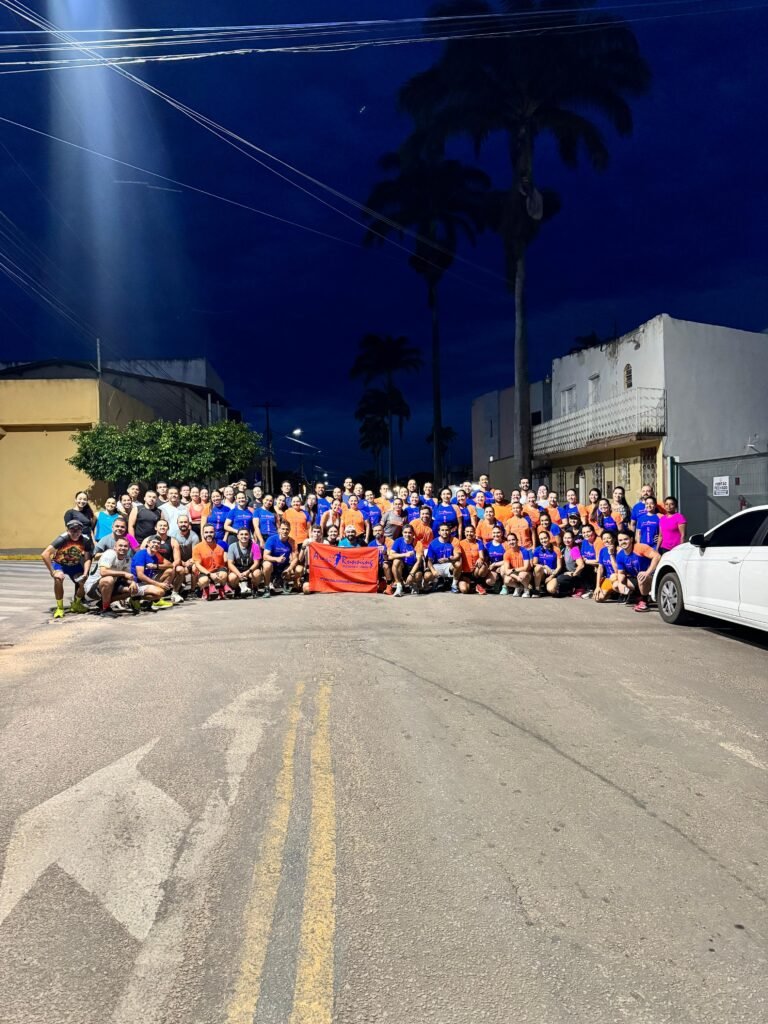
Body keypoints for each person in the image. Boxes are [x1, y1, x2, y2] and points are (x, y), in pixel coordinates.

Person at [41, 519, 93, 618]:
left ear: (81, 530)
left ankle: (76, 604)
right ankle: (60, 607)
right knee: (58, 579)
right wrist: (53, 572)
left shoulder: (85, 540)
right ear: (68, 530)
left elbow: (87, 558)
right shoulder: (62, 539)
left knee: (83, 582)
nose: (75, 532)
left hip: (75, 565)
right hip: (60, 564)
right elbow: (45, 554)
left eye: (78, 530)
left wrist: (85, 573)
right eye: (72, 530)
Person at [84, 537, 140, 616]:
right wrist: (123, 573)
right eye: (120, 545)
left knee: (133, 589)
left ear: (129, 548)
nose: (123, 548)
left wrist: (133, 582)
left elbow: (128, 576)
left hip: (111, 585)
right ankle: (105, 609)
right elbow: (103, 572)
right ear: (115, 547)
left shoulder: (127, 559)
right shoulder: (110, 553)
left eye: (125, 546)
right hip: (93, 588)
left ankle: (101, 604)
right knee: (108, 579)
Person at [615, 529, 661, 611]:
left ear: (632, 539)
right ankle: (638, 595)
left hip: (654, 577)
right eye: (620, 540)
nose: (623, 542)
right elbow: (621, 573)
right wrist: (620, 583)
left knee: (641, 576)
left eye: (626, 539)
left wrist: (647, 572)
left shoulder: (639, 547)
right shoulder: (620, 555)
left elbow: (657, 556)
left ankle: (644, 601)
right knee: (618, 583)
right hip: (638, 577)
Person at [131, 536, 175, 609]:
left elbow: (170, 565)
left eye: (158, 543)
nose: (156, 545)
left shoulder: (155, 555)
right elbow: (140, 575)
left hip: (148, 580)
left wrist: (156, 566)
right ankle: (135, 598)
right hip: (137, 583)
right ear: (148, 543)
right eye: (154, 542)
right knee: (160, 592)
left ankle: (152, 601)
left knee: (170, 571)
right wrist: (159, 584)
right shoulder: (141, 554)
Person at [192, 524, 231, 600]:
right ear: (203, 534)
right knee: (203, 581)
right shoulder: (197, 547)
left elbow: (224, 564)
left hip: (218, 571)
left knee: (223, 574)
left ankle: (221, 589)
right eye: (206, 532)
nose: (208, 534)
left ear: (215, 533)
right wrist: (209, 574)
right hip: (205, 571)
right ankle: (206, 591)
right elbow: (198, 565)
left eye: (211, 532)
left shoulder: (220, 547)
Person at [262, 521, 298, 596]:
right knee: (266, 565)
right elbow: (265, 556)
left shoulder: (292, 541)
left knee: (294, 568)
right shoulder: (271, 539)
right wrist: (277, 559)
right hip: (272, 565)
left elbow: (295, 558)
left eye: (287, 529)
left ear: (289, 530)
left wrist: (289, 568)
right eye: (283, 529)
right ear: (279, 530)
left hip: (284, 566)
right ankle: (266, 587)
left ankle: (285, 583)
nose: (285, 531)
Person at [424, 523, 461, 593]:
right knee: (427, 576)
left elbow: (457, 556)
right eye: (442, 530)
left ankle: (454, 585)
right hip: (436, 566)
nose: (445, 532)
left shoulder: (454, 540)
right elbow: (429, 560)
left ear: (450, 531)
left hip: (449, 565)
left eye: (447, 530)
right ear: (439, 532)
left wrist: (448, 559)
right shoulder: (433, 543)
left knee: (458, 564)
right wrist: (433, 571)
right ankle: (430, 584)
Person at [227, 527, 263, 596]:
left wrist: (247, 572)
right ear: (238, 536)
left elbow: (256, 563)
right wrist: (238, 574)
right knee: (231, 577)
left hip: (250, 570)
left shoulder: (255, 546)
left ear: (249, 536)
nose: (244, 536)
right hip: (238, 570)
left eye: (246, 534)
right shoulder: (232, 546)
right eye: (241, 534)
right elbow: (230, 564)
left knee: (257, 573)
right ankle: (237, 589)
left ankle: (255, 587)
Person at [389, 523, 423, 596]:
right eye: (405, 532)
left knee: (418, 575)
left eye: (410, 532)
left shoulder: (418, 543)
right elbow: (390, 556)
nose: (407, 534)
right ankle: (399, 585)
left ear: (413, 533)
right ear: (402, 533)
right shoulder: (398, 541)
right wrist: (405, 554)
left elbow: (418, 561)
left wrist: (411, 574)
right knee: (396, 561)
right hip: (403, 566)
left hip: (413, 567)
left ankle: (414, 585)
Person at [551, 529, 586, 597]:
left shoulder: (574, 549)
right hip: (567, 573)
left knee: (560, 578)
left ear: (573, 539)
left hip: (576, 576)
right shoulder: (564, 548)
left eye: (569, 538)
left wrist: (573, 574)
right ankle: (568, 590)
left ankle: (578, 587)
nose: (566, 540)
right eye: (565, 538)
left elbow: (581, 565)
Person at [457, 524, 487, 594]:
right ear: (464, 532)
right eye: (467, 532)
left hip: (475, 570)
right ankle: (472, 587)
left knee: (483, 566)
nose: (469, 534)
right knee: (464, 590)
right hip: (465, 572)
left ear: (474, 532)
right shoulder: (460, 543)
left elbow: (482, 556)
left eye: (471, 532)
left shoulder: (479, 542)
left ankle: (478, 583)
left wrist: (481, 559)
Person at [532, 530, 563, 596]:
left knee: (551, 590)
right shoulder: (537, 549)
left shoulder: (556, 549)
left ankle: (546, 587)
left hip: (552, 573)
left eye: (545, 538)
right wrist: (545, 566)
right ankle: (537, 590)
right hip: (542, 573)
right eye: (541, 539)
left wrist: (552, 576)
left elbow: (559, 567)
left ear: (549, 538)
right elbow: (534, 563)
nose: (543, 540)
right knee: (538, 568)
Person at [594, 531, 621, 603]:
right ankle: (613, 593)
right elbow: (600, 568)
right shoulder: (602, 550)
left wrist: (611, 554)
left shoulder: (619, 550)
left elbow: (617, 570)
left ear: (614, 539)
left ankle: (625, 594)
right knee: (598, 598)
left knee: (614, 578)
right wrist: (597, 586)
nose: (606, 540)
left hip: (619, 577)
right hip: (608, 578)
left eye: (608, 538)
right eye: (604, 539)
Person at [578, 523, 603, 596]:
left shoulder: (598, 541)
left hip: (600, 566)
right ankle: (587, 589)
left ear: (593, 531)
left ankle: (592, 589)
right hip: (591, 565)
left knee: (585, 567)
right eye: (584, 532)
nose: (586, 534)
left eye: (588, 532)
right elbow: (582, 556)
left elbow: (599, 560)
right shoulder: (584, 542)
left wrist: (588, 561)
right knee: (580, 566)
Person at [481, 524, 508, 591]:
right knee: (489, 581)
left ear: (502, 533)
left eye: (498, 532)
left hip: (503, 566)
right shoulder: (487, 545)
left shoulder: (506, 544)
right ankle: (498, 582)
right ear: (491, 533)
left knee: (503, 568)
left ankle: (505, 586)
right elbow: (486, 559)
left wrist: (495, 565)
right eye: (494, 533)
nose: (496, 535)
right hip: (492, 568)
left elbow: (507, 560)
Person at [368, 523, 393, 594]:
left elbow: (390, 557)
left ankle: (389, 586)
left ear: (383, 531)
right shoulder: (370, 544)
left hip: (388, 564)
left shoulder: (389, 541)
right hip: (376, 565)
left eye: (379, 530)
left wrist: (385, 553)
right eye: (375, 531)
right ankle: (381, 582)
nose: (377, 532)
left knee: (385, 564)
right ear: (373, 533)